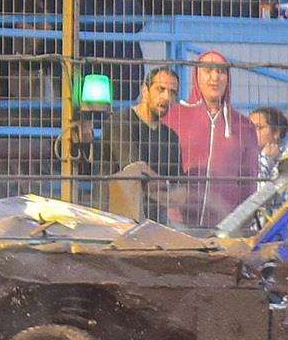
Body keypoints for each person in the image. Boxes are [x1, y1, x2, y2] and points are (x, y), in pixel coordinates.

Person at [162, 50, 260, 227]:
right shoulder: (173, 117)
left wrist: (243, 221)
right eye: (208, 71)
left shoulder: (244, 126)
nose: (214, 77)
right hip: (177, 221)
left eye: (221, 71)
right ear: (196, 76)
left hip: (225, 223)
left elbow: (249, 181)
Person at [95, 66, 184, 224]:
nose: (166, 97)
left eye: (172, 92)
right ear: (145, 90)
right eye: (160, 89)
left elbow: (179, 189)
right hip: (116, 221)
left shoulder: (171, 137)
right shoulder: (120, 122)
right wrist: (164, 187)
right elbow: (135, 171)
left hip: (154, 226)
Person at [250, 106, 288, 183]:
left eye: (258, 128)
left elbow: (262, 192)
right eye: (249, 127)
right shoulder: (247, 155)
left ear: (276, 132)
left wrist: (265, 158)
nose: (251, 132)